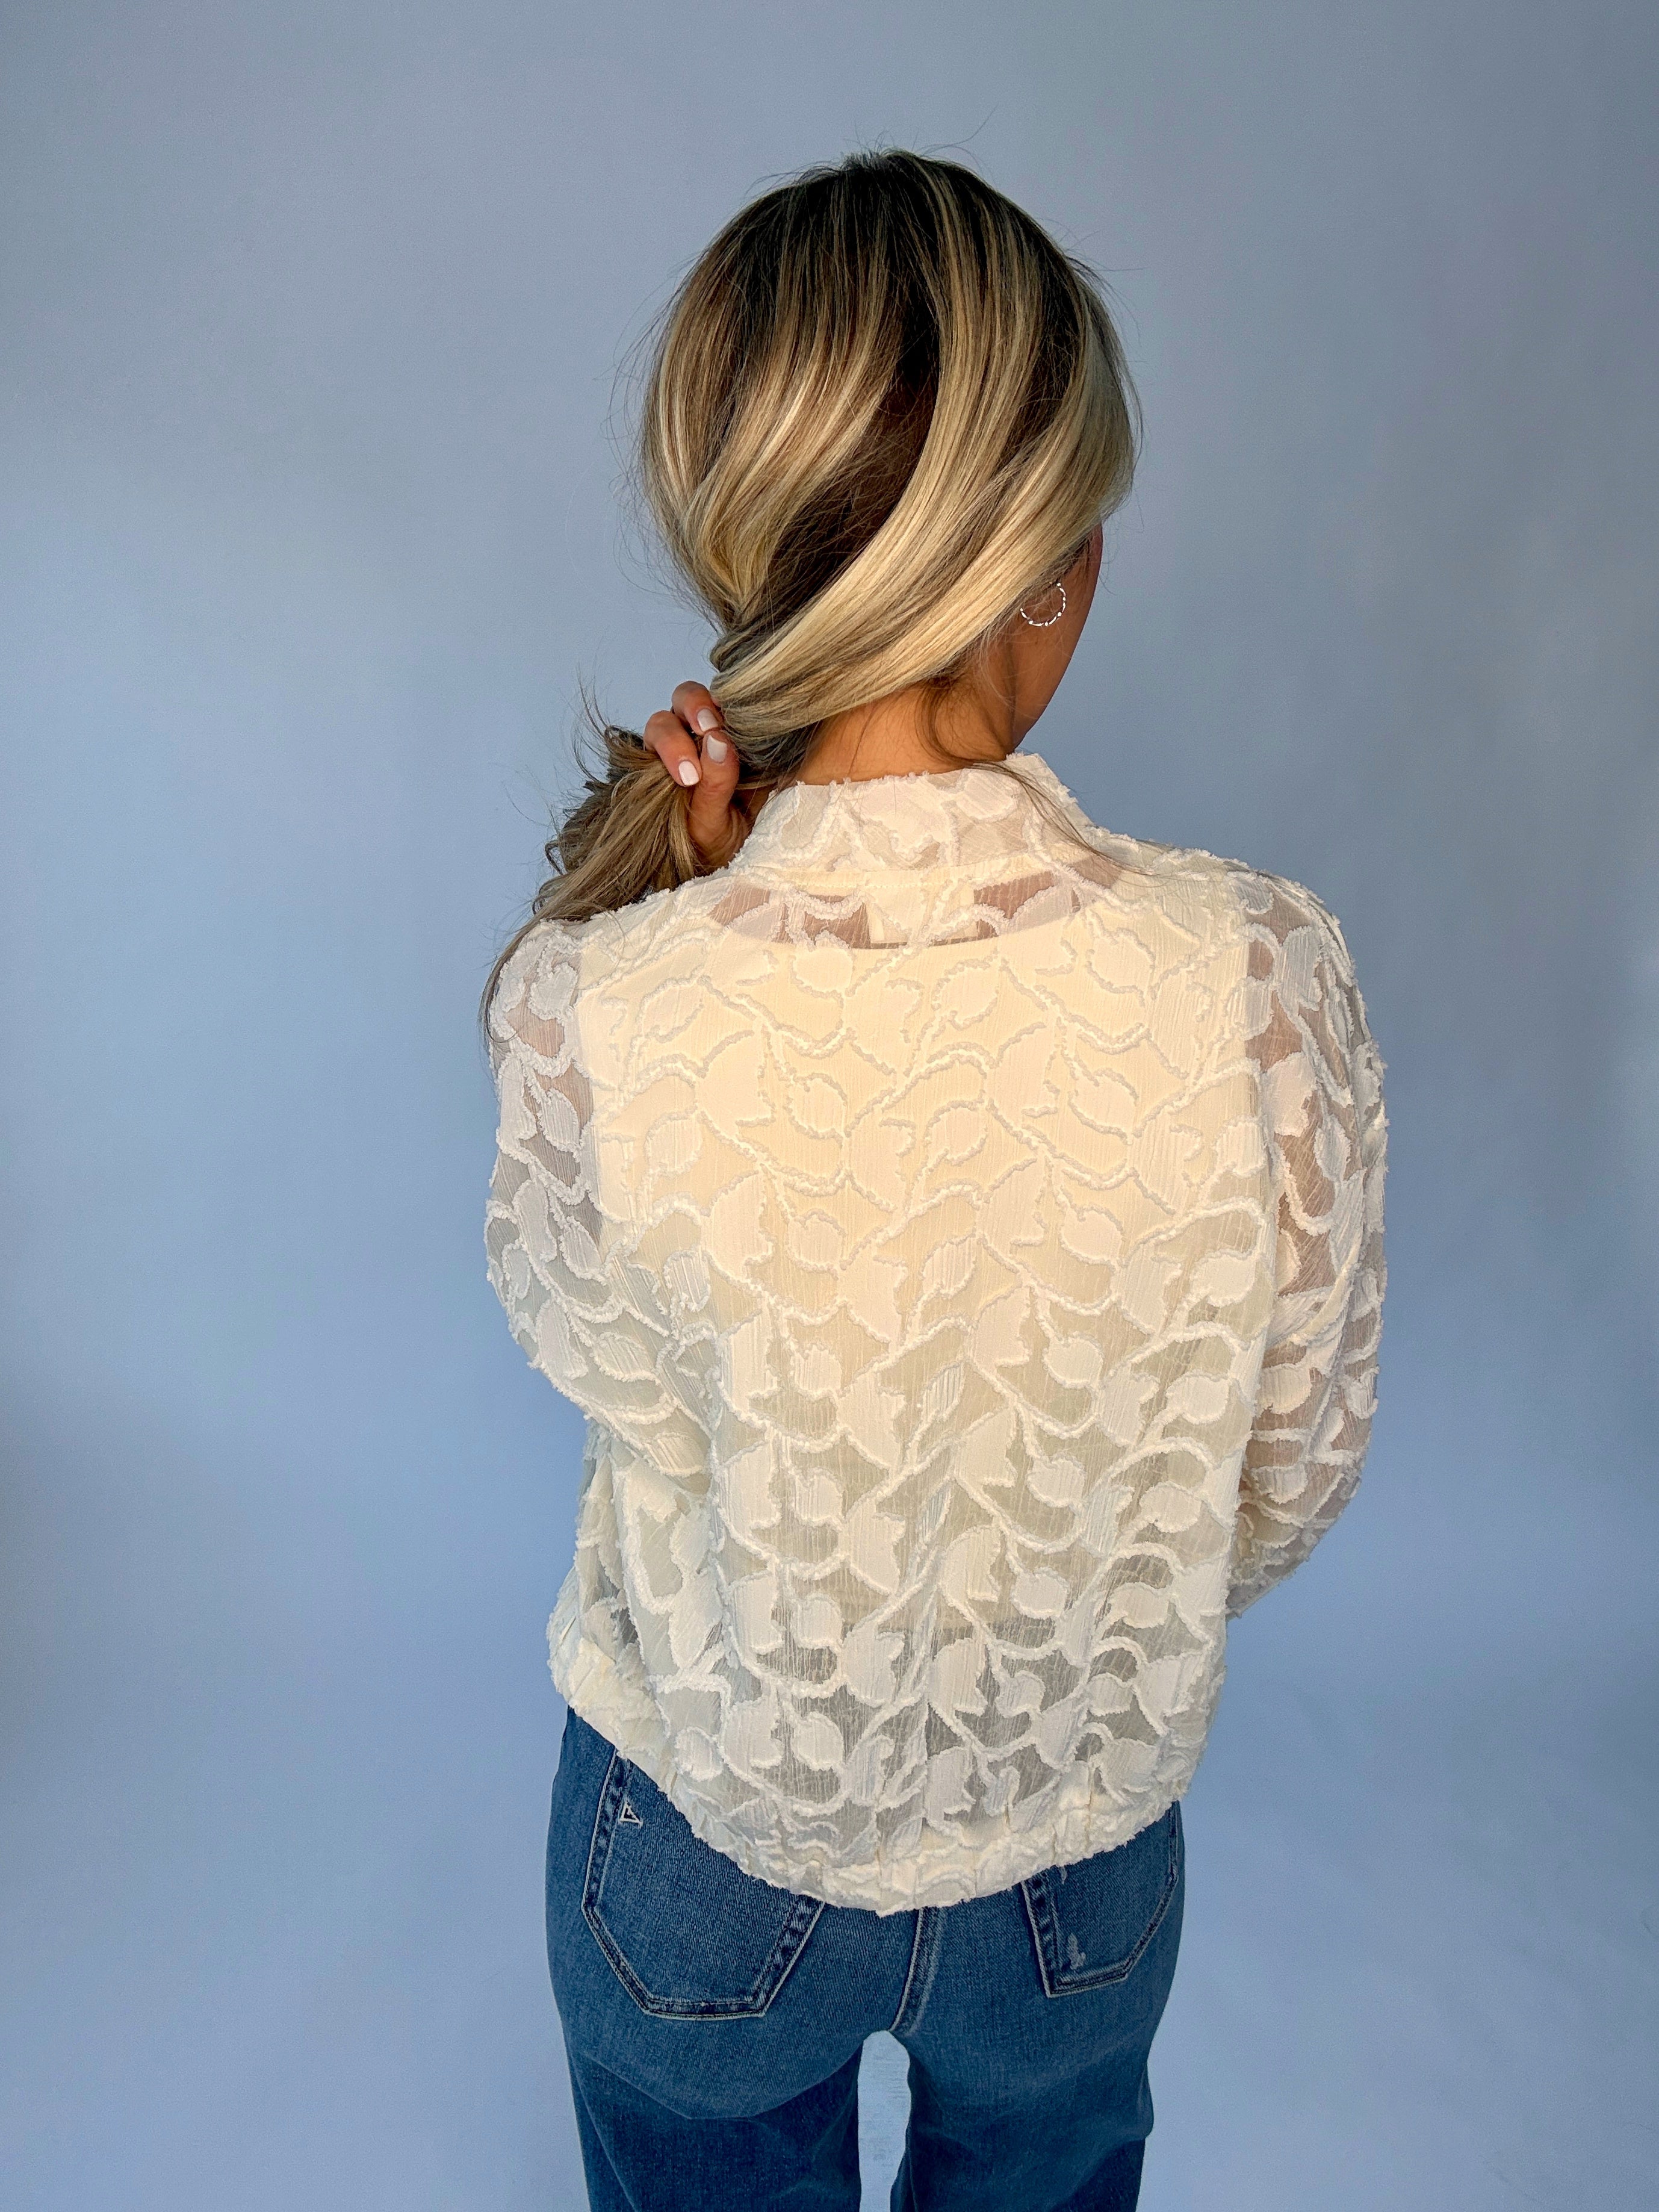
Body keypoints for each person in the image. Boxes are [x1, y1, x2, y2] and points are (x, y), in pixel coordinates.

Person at [482, 149, 1388, 2212]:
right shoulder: (1257, 974)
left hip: (707, 1853)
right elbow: (1283, 1471)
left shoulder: (588, 999)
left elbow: (620, 1377)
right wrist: (1050, 1618)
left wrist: (674, 914)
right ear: (1041, 560)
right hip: (1073, 1867)